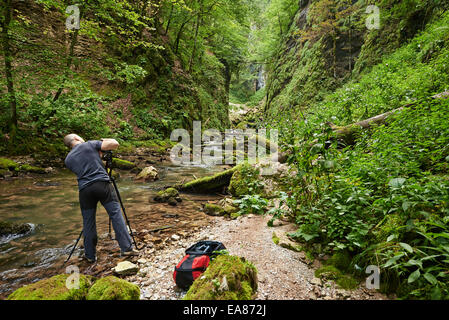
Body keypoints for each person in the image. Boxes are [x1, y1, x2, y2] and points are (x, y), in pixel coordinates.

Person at [64, 134, 138, 263]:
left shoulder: (68, 160)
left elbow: (88, 164)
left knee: (88, 222)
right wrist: (103, 140)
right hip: (102, 184)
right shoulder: (89, 144)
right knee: (115, 214)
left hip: (84, 191)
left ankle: (90, 255)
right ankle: (126, 248)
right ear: (76, 138)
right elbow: (115, 143)